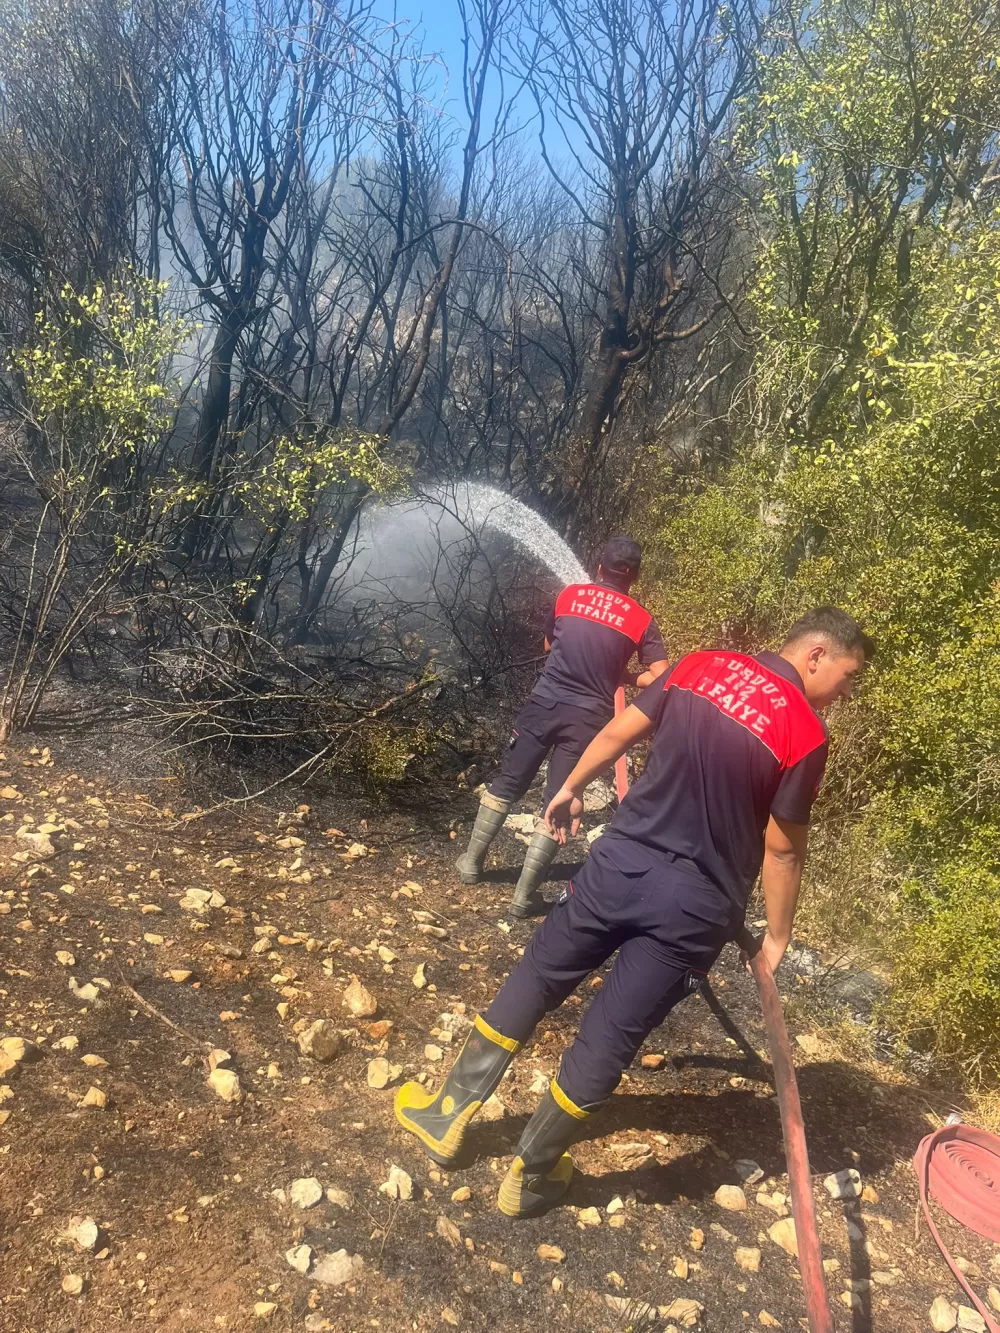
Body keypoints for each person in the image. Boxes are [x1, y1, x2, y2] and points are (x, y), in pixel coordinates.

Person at [396, 607, 873, 1216]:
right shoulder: (805, 732)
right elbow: (782, 848)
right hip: (696, 910)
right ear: (815, 655)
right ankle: (532, 1176)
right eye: (848, 675)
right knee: (609, 1039)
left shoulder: (700, 666)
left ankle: (446, 1116)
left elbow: (620, 732)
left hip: (619, 868)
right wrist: (777, 935)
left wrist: (569, 787)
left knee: (536, 980)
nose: (846, 691)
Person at [455, 536, 668, 917]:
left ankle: (471, 865)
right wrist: (623, 676)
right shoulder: (641, 620)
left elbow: (550, 645)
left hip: (544, 704)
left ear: (599, 567)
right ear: (633, 577)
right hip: (587, 719)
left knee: (508, 782)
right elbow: (662, 678)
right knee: (559, 797)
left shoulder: (569, 596)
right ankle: (523, 898)